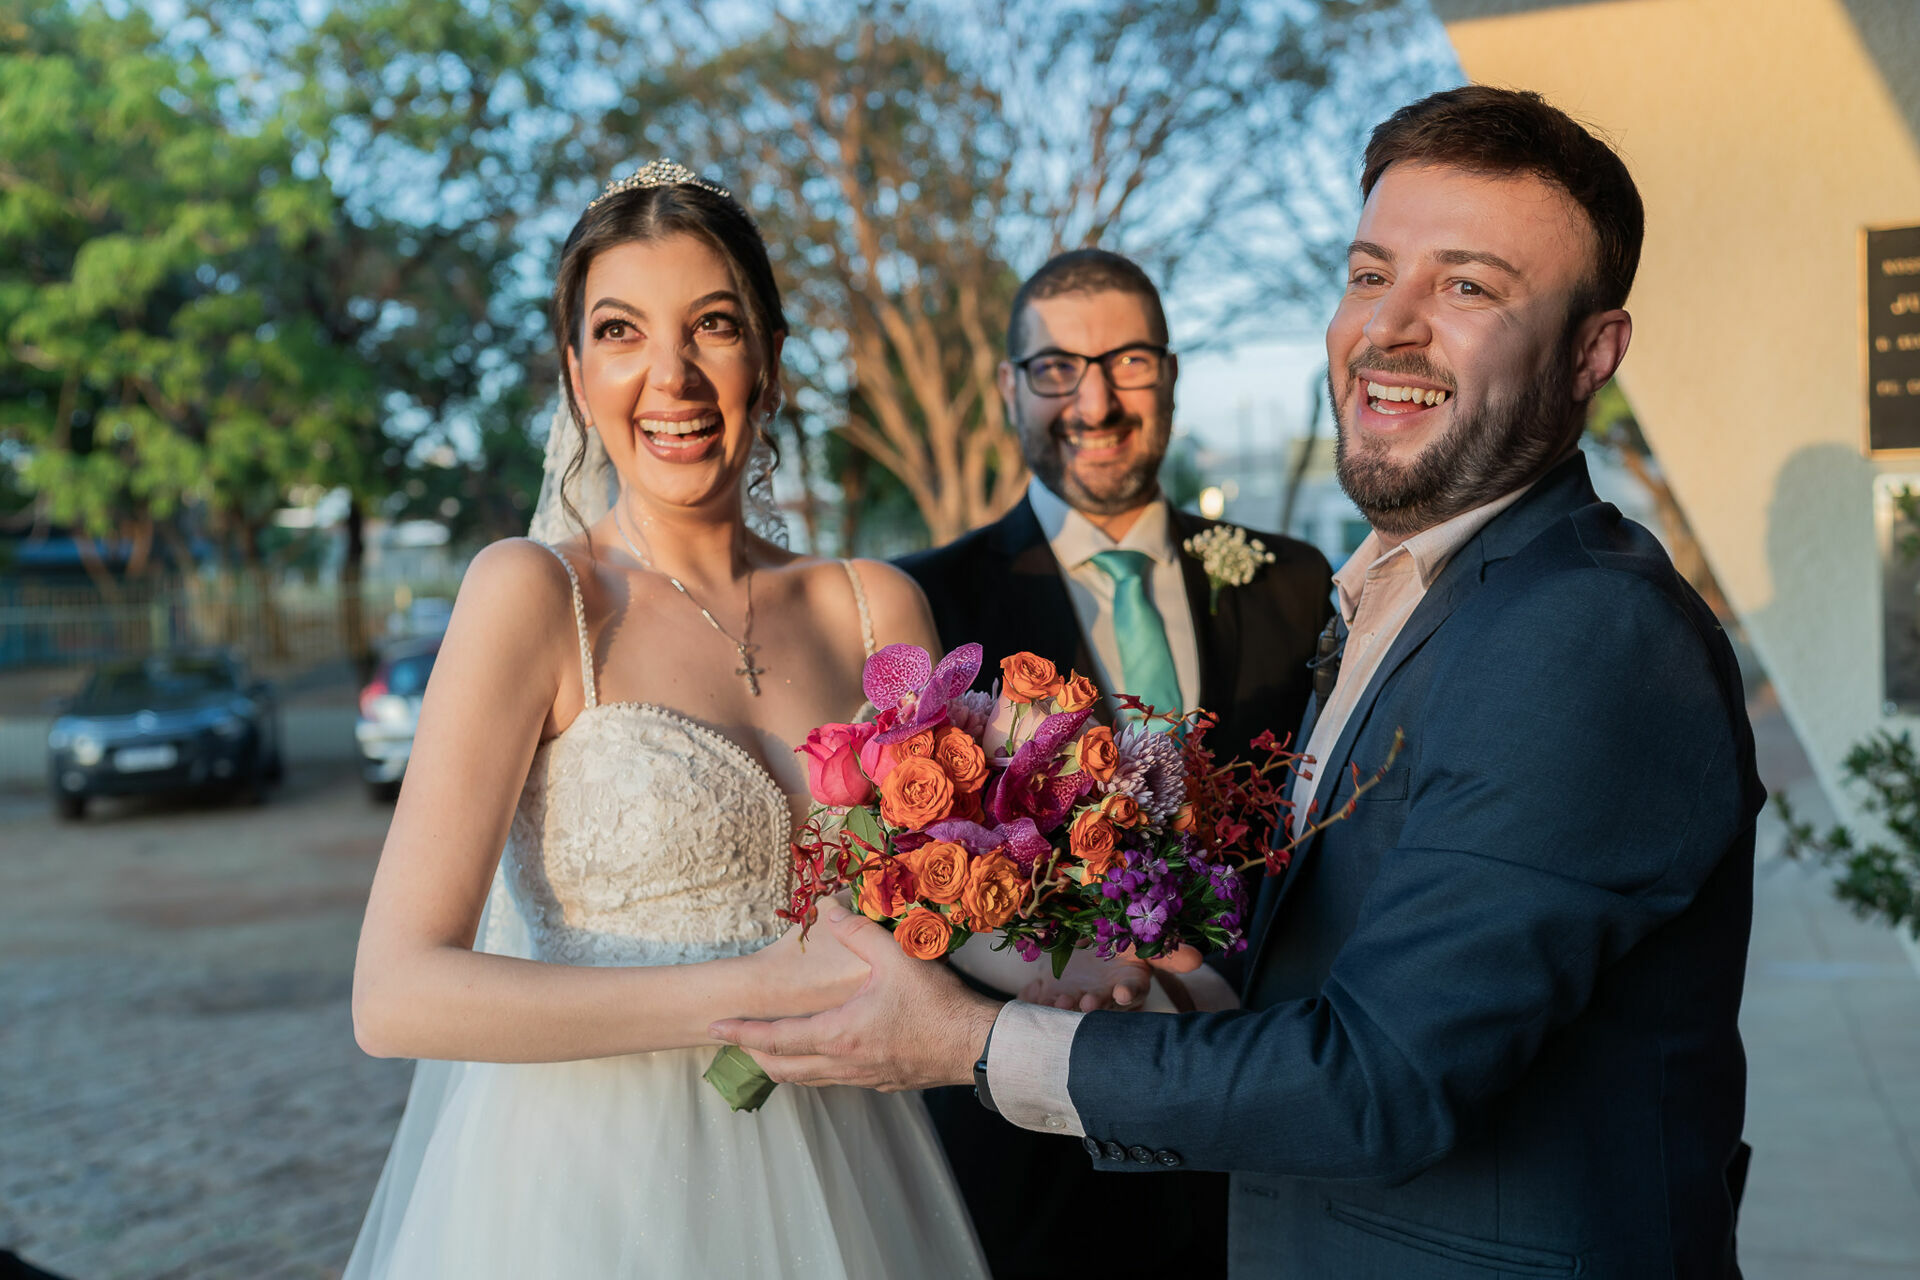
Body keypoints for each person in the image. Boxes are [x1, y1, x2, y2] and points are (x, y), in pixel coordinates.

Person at [713, 87, 1766, 1279]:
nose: (1393, 328)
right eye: (1371, 274)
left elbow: (1378, 1084)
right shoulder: (1402, 591)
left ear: (1592, 352)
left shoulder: (1587, 632)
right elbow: (1340, 955)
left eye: (1467, 286)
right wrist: (1179, 996)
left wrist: (969, 1039)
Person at [343, 160, 987, 1279]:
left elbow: (958, 906)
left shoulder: (874, 606)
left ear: (772, 361)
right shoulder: (538, 596)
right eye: (622, 330)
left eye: (715, 326)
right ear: (576, 371)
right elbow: (396, 991)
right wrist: (754, 992)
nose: (672, 376)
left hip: (846, 1167)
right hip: (584, 1189)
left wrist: (1101, 963)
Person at [895, 248, 1331, 1279]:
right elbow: (910, 877)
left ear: (1171, 375)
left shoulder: (1293, 579)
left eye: (1128, 361)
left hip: (1275, 1128)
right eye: (1056, 368)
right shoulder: (930, 604)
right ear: (1011, 388)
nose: (1094, 400)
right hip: (1040, 1155)